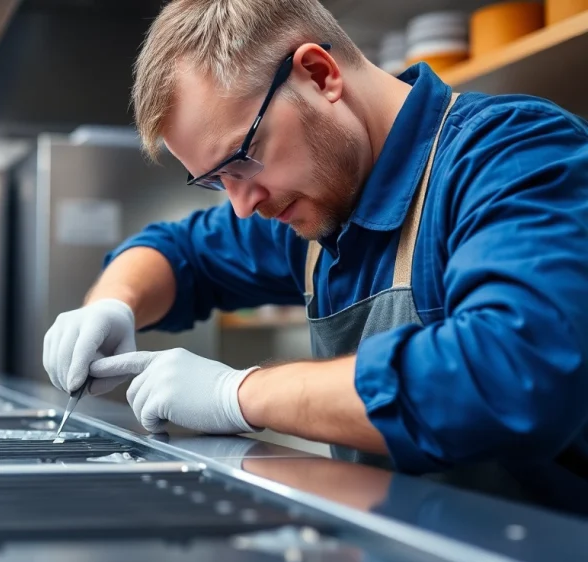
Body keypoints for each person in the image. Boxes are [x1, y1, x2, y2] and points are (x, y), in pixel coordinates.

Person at [42, 0, 588, 483]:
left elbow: (510, 374)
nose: (242, 204)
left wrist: (238, 395)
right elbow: (178, 251)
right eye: (216, 181)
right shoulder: (314, 208)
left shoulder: (512, 156)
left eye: (241, 160)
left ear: (319, 74)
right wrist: (113, 302)